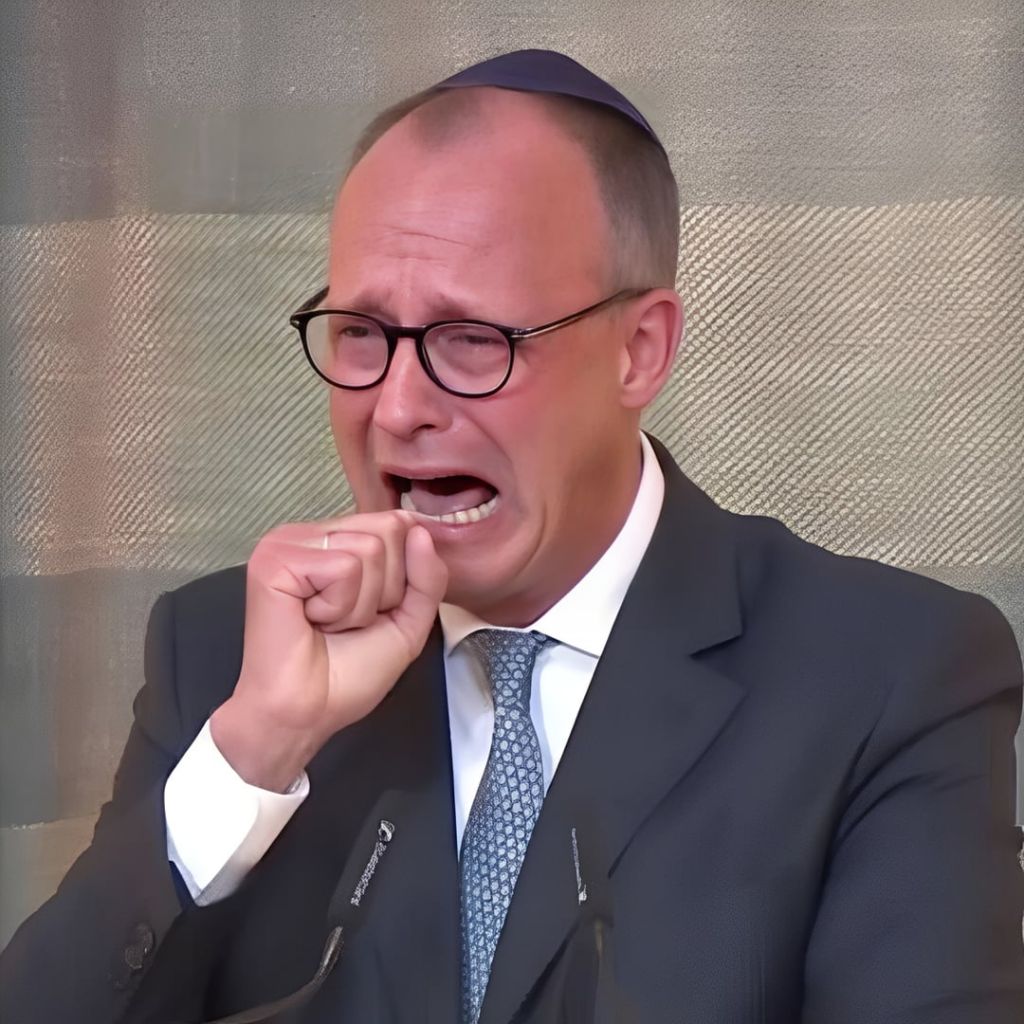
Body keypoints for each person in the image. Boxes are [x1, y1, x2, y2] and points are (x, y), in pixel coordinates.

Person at [1, 48, 1022, 1024]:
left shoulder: (888, 676)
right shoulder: (224, 656)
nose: (398, 407)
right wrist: (254, 752)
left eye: (470, 341)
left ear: (639, 350)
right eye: (361, 334)